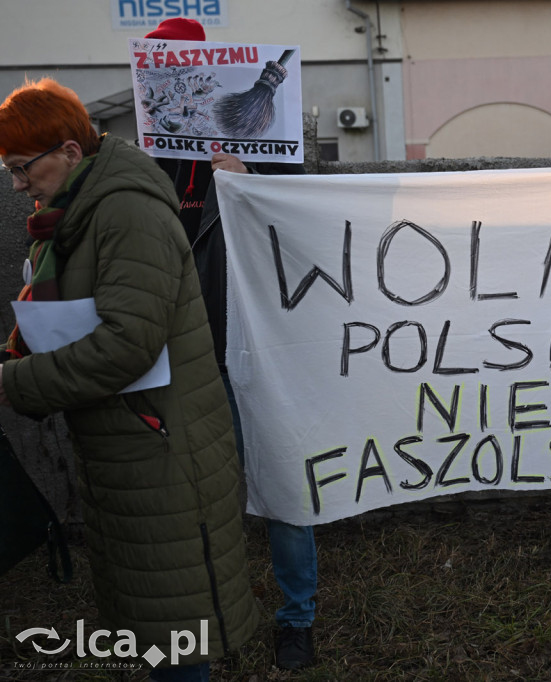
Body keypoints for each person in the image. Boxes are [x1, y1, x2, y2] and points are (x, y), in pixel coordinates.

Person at [0, 78, 258, 681]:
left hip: (162, 449)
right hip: (130, 442)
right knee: (155, 616)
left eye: (21, 169)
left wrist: (13, 385)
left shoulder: (127, 212)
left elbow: (126, 344)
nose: (16, 186)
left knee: (177, 625)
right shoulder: (77, 212)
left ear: (69, 152)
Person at [139, 17, 317, 671]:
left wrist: (249, 180)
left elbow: (305, 227)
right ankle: (216, 619)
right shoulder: (146, 165)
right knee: (196, 501)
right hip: (183, 358)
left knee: (282, 487)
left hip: (257, 352)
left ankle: (296, 619)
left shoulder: (263, 142)